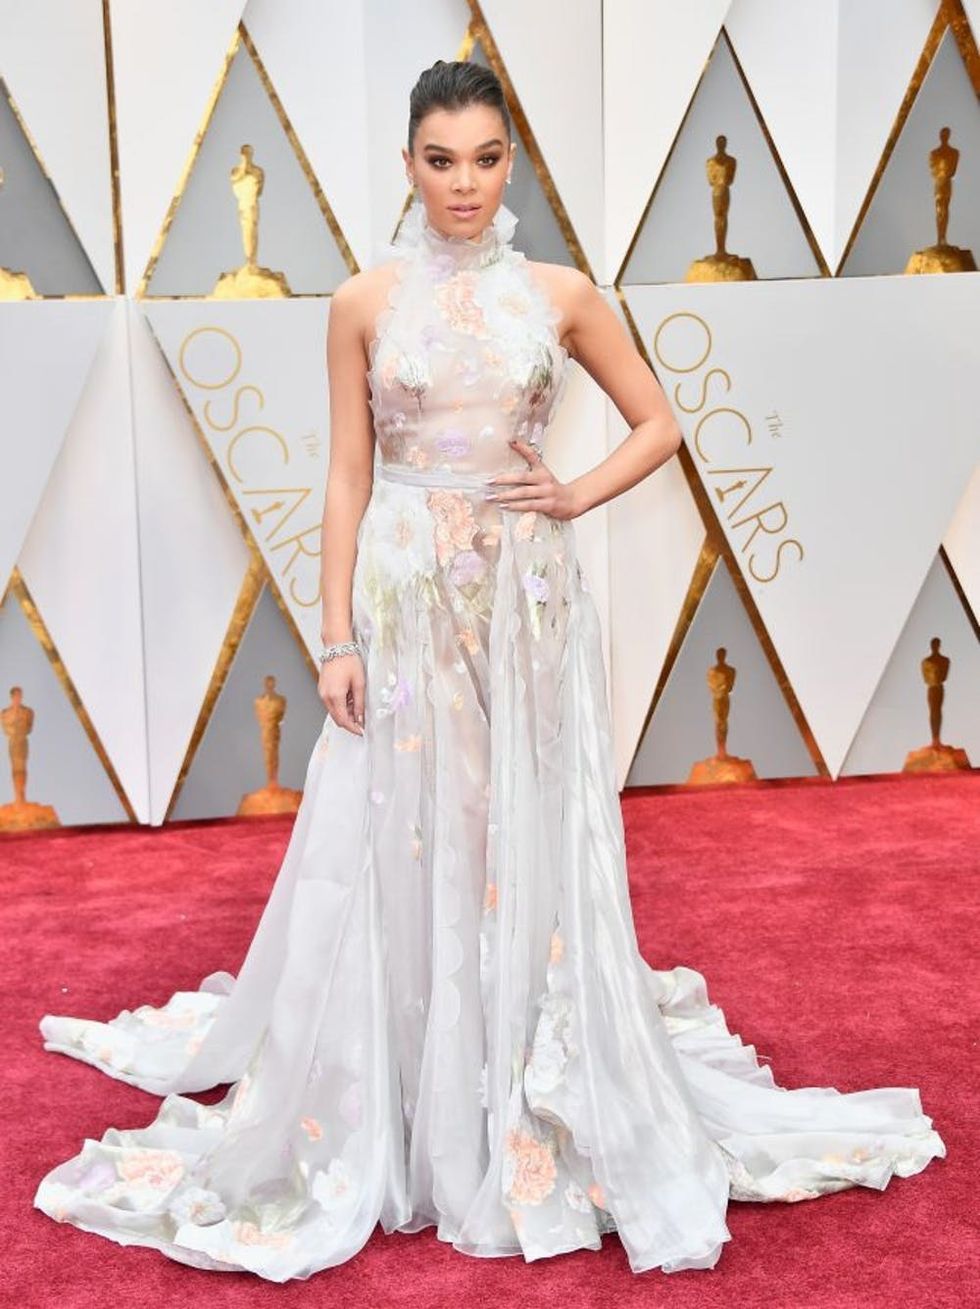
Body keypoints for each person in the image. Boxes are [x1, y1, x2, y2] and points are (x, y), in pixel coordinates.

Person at [32, 60, 945, 1281]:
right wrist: (336, 636)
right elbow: (348, 474)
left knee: (507, 821)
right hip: (405, 593)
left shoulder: (560, 293)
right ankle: (412, 1082)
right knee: (409, 823)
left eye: (484, 157)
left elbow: (658, 422)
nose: (463, 183)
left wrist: (569, 493)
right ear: (408, 165)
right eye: (438, 159)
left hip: (524, 594)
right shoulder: (361, 300)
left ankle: (516, 1061)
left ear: (510, 162)